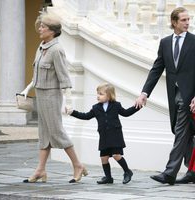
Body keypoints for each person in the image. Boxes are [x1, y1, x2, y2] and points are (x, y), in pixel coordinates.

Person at [21, 12, 87, 183]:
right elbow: (37, 73)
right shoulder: (41, 46)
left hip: (51, 96)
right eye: (40, 25)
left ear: (52, 31)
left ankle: (78, 165)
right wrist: (27, 89)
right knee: (44, 134)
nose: (40, 28)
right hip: (41, 95)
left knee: (57, 133)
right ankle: (40, 170)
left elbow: (64, 77)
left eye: (43, 26)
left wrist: (69, 102)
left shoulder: (57, 50)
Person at [135, 7, 195, 185]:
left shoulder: (194, 41)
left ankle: (169, 173)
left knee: (181, 132)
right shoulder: (165, 42)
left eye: (188, 19)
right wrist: (145, 93)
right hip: (173, 95)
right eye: (183, 20)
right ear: (174, 22)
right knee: (183, 133)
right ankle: (192, 171)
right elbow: (157, 69)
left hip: (189, 96)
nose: (187, 23)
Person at [66, 83, 140, 184]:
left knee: (116, 155)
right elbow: (86, 116)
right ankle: (108, 178)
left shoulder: (116, 105)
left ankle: (127, 172)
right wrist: (72, 112)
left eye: (101, 94)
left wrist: (138, 106)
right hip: (104, 136)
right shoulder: (96, 108)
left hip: (115, 135)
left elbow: (126, 113)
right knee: (104, 158)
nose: (98, 96)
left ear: (109, 95)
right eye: (97, 94)